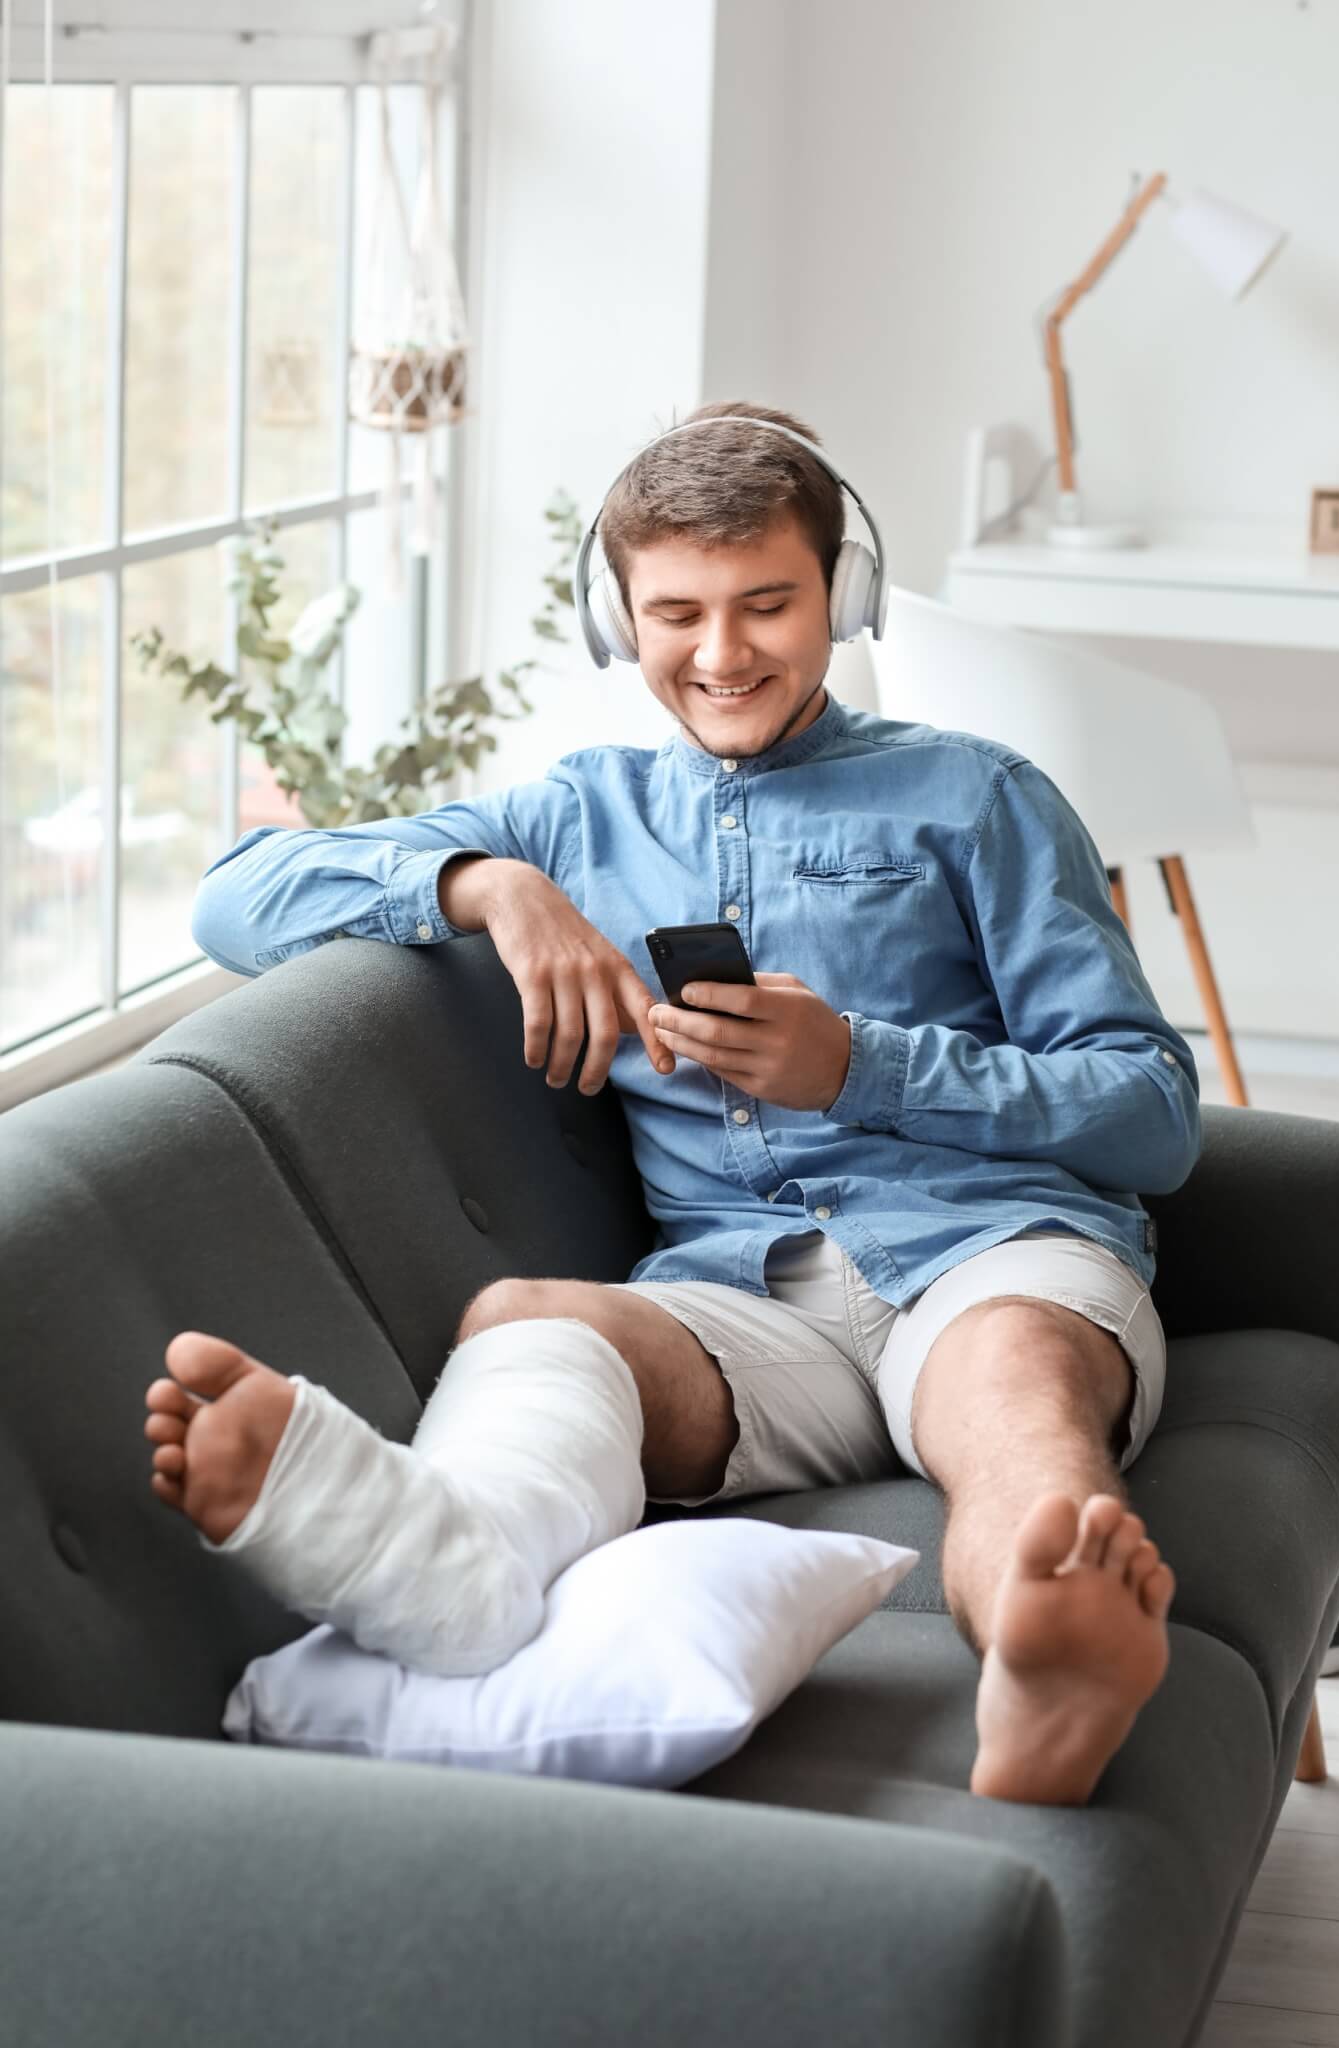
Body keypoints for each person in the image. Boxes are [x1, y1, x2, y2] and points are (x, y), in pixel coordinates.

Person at [143, 400, 1198, 1806]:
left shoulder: (979, 799)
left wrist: (860, 1066)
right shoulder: (574, 819)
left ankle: (1038, 1662)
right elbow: (234, 898)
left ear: (842, 593)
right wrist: (486, 883)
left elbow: (1152, 1114)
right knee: (527, 1322)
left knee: (1010, 1398)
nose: (719, 654)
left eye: (767, 604)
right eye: (676, 614)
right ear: (616, 621)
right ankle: (439, 1564)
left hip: (988, 1256)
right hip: (738, 1305)